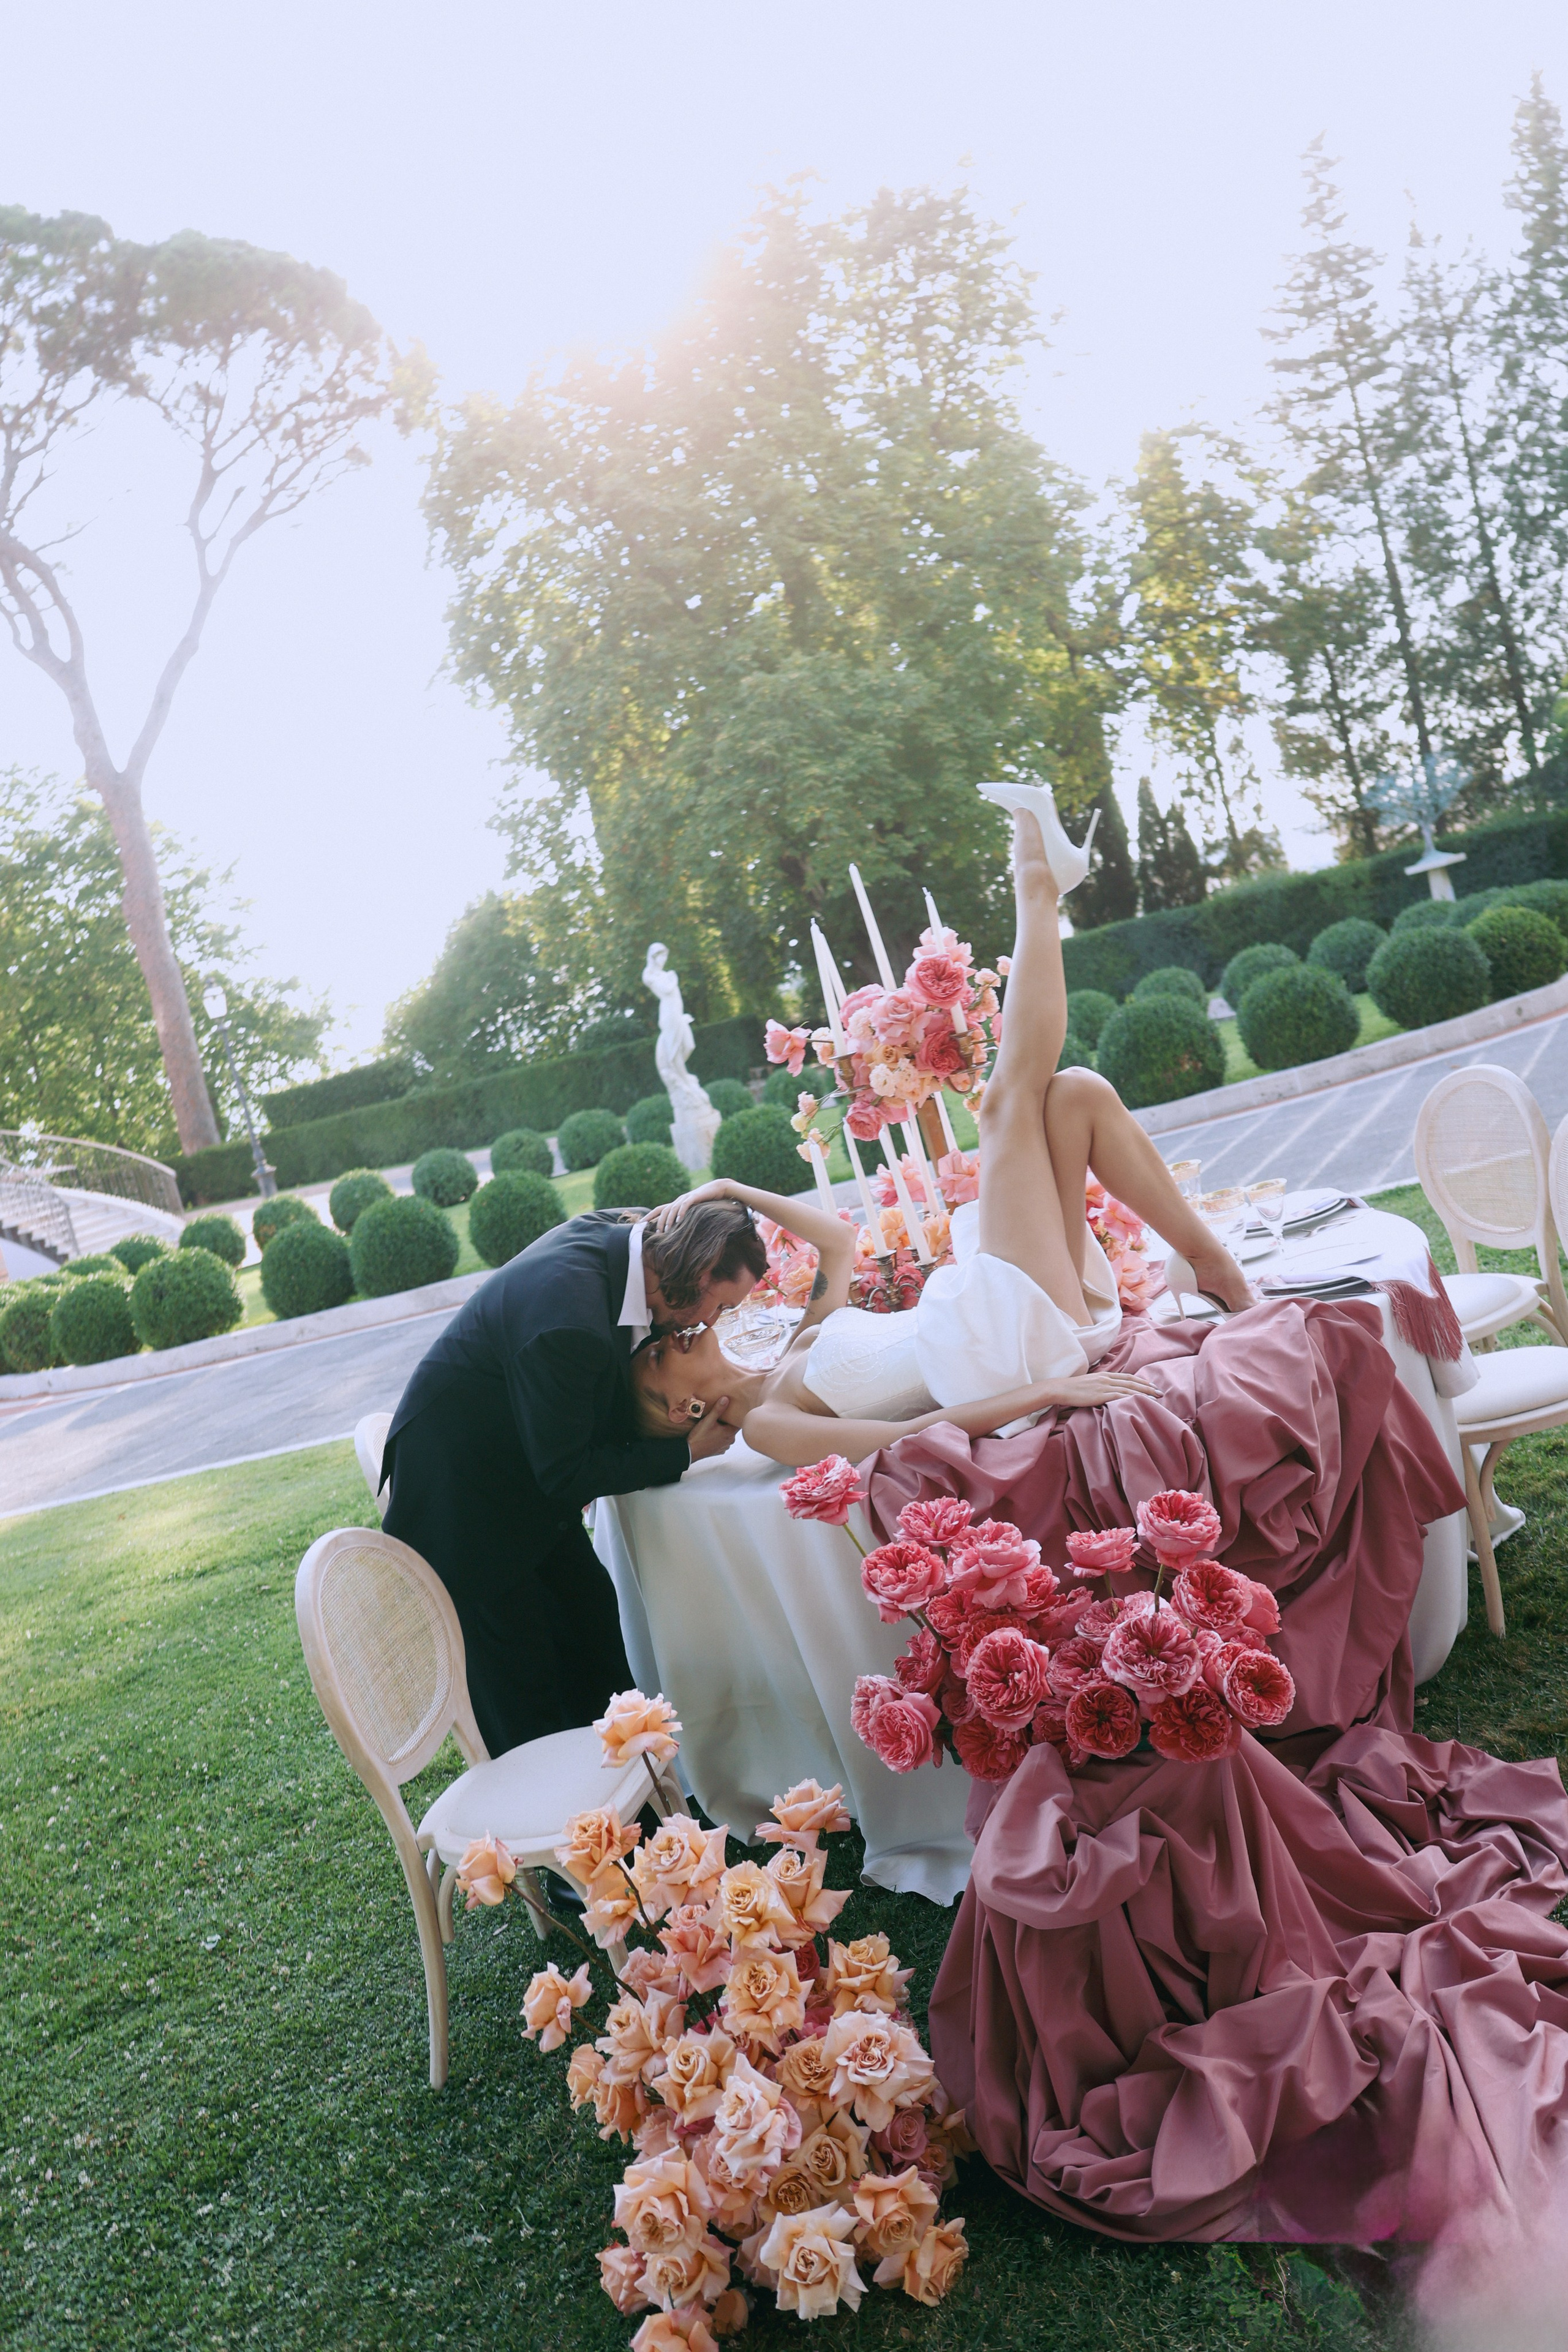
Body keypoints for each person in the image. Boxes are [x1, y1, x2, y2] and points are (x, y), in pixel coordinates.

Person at [631, 782, 1251, 1464]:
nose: (667, 1338)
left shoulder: (798, 1344)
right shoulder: (769, 1425)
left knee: (1074, 1093)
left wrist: (727, 1187)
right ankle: (1038, 880)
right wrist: (1050, 1393)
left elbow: (838, 1242)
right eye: (657, 1358)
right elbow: (912, 1437)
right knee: (1005, 1105)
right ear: (682, 1409)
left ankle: (1210, 1264)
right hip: (1007, 1353)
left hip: (1000, 1314)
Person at [382, 1198, 765, 1756]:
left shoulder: (627, 1239)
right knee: (527, 1697)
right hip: (464, 1511)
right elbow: (566, 1472)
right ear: (701, 1272)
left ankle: (635, 1810)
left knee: (596, 1641)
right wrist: (684, 1454)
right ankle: (565, 1830)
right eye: (721, 1304)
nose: (711, 1323)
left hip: (522, 1476)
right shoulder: (570, 1319)